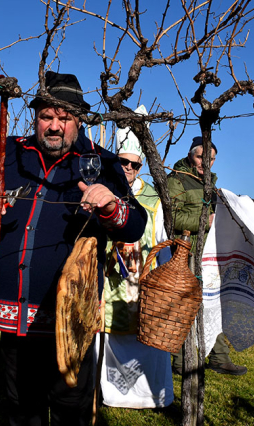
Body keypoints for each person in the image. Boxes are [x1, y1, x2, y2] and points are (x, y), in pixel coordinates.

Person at [0, 71, 147, 426]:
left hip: (71, 319)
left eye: (64, 118)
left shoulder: (101, 162)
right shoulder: (11, 153)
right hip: (15, 318)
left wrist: (110, 206)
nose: (54, 126)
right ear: (36, 117)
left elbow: (135, 223)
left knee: (71, 412)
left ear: (79, 119)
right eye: (46, 116)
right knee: (22, 410)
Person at [97, 107, 174, 408]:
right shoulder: (103, 191)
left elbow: (162, 243)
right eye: (123, 163)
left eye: (134, 164)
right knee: (107, 335)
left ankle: (148, 396)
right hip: (108, 281)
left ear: (141, 166)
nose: (128, 168)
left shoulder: (154, 199)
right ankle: (110, 394)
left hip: (141, 283)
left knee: (146, 339)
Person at [167, 136, 247, 376]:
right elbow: (171, 219)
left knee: (214, 302)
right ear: (191, 155)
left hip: (209, 253)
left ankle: (219, 357)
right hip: (186, 252)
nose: (206, 163)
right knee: (186, 305)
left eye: (211, 159)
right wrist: (207, 221)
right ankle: (182, 361)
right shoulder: (176, 180)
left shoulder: (211, 184)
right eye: (201, 157)